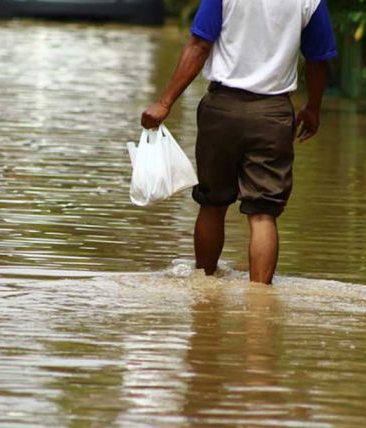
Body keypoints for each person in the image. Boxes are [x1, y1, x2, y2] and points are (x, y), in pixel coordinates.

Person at [141, 0, 337, 284]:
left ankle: (204, 290)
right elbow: (319, 60)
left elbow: (199, 45)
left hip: (222, 109)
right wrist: (313, 108)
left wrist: (165, 102)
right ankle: (260, 303)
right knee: (263, 213)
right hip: (273, 116)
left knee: (212, 203)